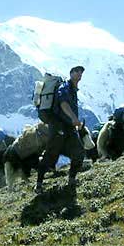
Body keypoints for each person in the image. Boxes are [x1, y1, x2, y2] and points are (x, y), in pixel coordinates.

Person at [34, 66, 86, 194]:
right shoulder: (65, 87)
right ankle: (38, 185)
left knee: (79, 152)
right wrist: (74, 118)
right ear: (71, 73)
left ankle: (72, 180)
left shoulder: (73, 90)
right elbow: (63, 104)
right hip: (58, 126)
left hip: (68, 127)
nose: (79, 74)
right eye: (77, 71)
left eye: (81, 72)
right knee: (51, 155)